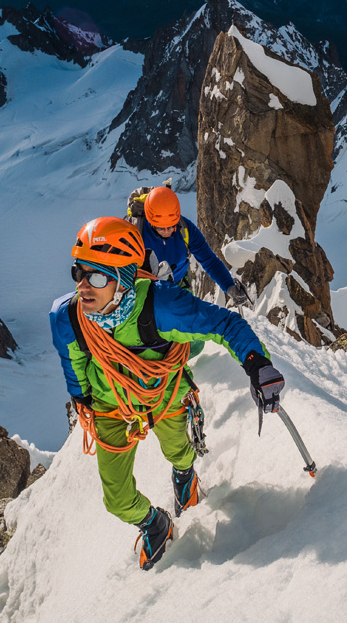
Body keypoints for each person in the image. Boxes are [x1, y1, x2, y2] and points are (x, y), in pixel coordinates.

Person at [50, 216, 285, 570]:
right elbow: (73, 357)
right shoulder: (66, 316)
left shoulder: (160, 305)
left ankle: (184, 476)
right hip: (111, 405)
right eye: (79, 273)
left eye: (97, 276)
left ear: (126, 278)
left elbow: (224, 324)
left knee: (180, 452)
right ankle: (154, 522)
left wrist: (256, 364)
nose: (84, 286)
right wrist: (81, 396)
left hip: (165, 395)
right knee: (117, 499)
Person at [129, 185, 250, 308]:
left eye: (171, 226)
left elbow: (209, 261)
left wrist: (229, 287)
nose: (166, 231)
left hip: (178, 286)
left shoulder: (186, 229)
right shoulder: (135, 231)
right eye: (160, 228)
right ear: (150, 221)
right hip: (144, 288)